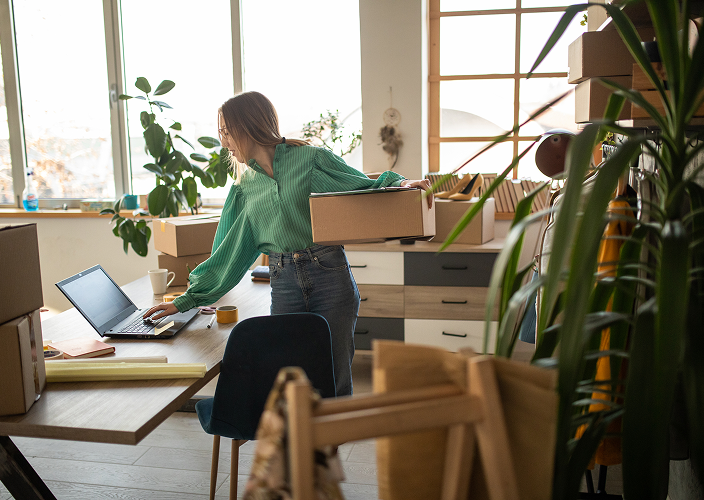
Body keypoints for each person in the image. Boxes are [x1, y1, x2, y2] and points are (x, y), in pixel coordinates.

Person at [144, 91, 432, 396]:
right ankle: (299, 443)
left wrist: (400, 185)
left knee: (334, 380)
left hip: (330, 278)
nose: (224, 142)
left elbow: (359, 185)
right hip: (284, 286)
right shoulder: (244, 189)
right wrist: (185, 300)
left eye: (227, 132)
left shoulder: (310, 160)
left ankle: (330, 442)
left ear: (248, 126)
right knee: (291, 384)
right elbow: (228, 254)